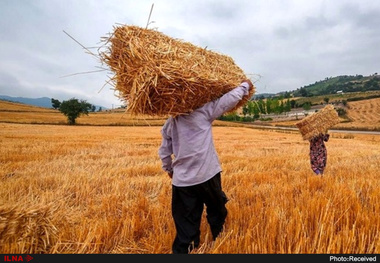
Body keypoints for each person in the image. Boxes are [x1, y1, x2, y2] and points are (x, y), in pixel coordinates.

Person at [158, 79, 254, 254]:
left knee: (186, 224)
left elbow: (164, 152)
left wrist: (169, 169)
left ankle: (186, 249)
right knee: (217, 211)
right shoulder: (203, 112)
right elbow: (228, 100)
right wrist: (244, 86)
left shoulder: (170, 123)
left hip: (182, 183)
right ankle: (221, 243)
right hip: (207, 176)